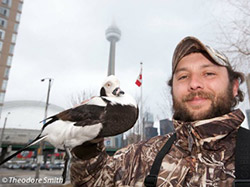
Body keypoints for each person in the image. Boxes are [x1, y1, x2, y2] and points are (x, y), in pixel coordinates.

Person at [70, 36, 246, 186]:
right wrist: (87, 143)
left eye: (208, 73)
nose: (194, 84)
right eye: (183, 76)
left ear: (234, 86)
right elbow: (91, 181)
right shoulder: (136, 158)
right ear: (172, 90)